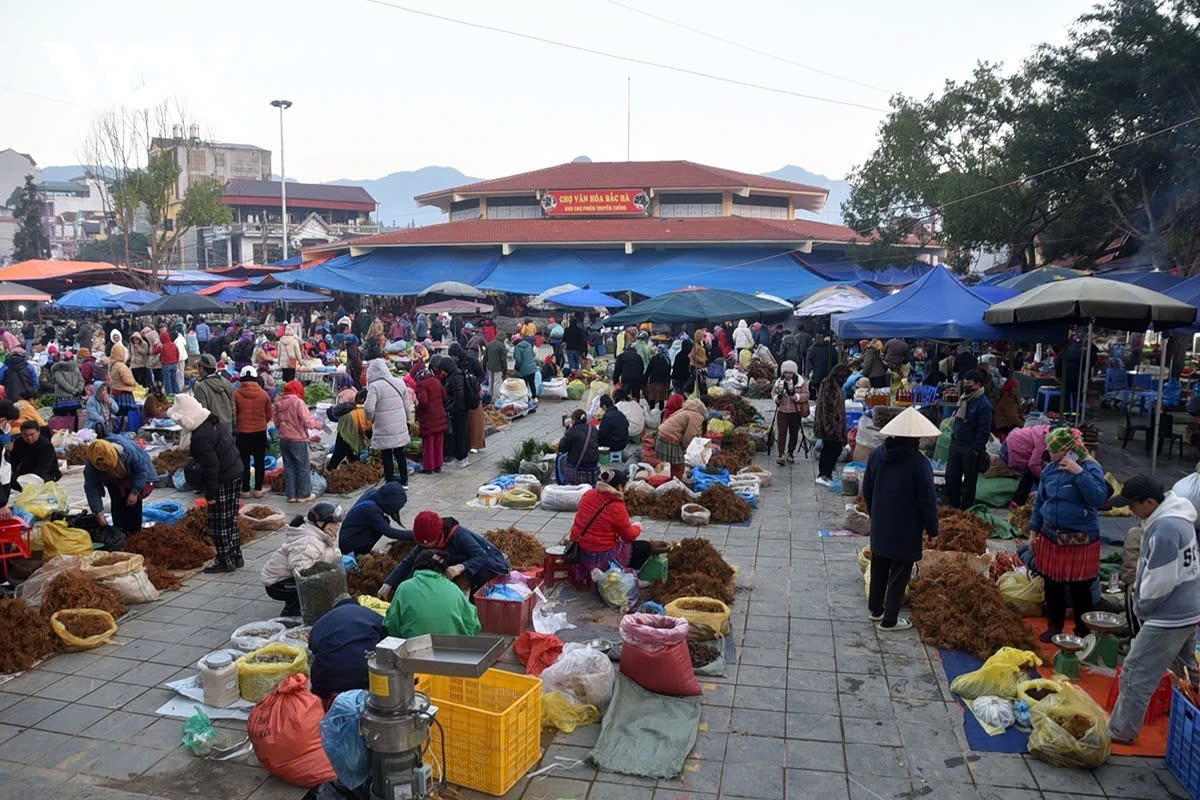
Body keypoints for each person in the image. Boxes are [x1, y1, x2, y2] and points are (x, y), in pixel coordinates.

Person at [1107, 475, 1200, 743]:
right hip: (1188, 608)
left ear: (1149, 502)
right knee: (1186, 670)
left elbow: (1160, 582)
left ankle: (1121, 731)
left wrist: (1142, 608)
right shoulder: (1178, 517)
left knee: (1136, 672)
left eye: (1133, 505)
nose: (1130, 510)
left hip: (1169, 616)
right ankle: (1192, 713)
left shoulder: (1165, 529)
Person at [862, 407, 941, 631]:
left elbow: (867, 488)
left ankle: (876, 610)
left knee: (879, 565)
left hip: (881, 521)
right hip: (906, 526)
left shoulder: (877, 455)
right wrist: (933, 530)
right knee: (900, 571)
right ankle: (890, 620)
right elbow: (927, 501)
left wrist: (874, 512)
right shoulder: (919, 463)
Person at [1029, 427, 1107, 641]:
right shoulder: (1050, 470)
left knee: (1080, 588)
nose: (1050, 454)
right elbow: (1040, 502)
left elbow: (1098, 499)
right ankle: (1054, 626)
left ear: (1068, 451)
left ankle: (1083, 630)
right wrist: (1033, 531)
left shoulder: (1091, 468)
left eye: (1054, 451)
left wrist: (1078, 473)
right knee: (1052, 584)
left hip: (1080, 539)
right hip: (1051, 536)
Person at [170, 394, 243, 572]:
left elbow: (211, 466)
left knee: (218, 522)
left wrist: (210, 494)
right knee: (230, 518)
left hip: (223, 477)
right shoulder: (210, 420)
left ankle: (224, 561)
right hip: (235, 471)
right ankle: (235, 556)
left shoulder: (200, 437)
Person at [379, 511, 510, 598]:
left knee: (476, 577)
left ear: (438, 536)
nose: (424, 547)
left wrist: (461, 567)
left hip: (489, 565)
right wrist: (389, 583)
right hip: (458, 564)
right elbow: (409, 561)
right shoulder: (426, 541)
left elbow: (481, 556)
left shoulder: (460, 536)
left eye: (427, 544)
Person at [566, 469, 650, 587]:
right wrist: (638, 527)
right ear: (619, 487)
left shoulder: (588, 494)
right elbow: (628, 536)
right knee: (645, 547)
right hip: (600, 556)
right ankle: (628, 578)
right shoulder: (616, 505)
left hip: (578, 550)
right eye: (624, 486)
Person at [261, 503, 344, 616]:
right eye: (333, 523)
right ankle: (290, 615)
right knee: (310, 589)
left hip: (289, 578)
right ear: (320, 523)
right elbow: (302, 574)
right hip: (277, 583)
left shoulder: (323, 535)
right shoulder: (308, 542)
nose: (337, 525)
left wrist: (340, 559)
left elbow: (329, 552)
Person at [384, 549, 482, 638]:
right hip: (452, 648)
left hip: (413, 646)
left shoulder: (404, 588)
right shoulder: (454, 589)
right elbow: (474, 624)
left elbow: (391, 624)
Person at [308, 595, 387, 703]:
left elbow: (312, 646)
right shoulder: (372, 615)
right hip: (365, 675)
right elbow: (388, 642)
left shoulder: (324, 620)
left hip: (328, 678)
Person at [945, 369, 994, 510]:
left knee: (969, 483)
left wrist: (977, 449)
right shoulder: (964, 399)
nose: (966, 386)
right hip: (956, 444)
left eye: (969, 384)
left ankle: (966, 511)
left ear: (978, 385)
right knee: (951, 477)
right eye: (964, 383)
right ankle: (953, 507)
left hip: (970, 448)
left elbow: (984, 430)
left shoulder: (983, 405)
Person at [84, 435, 154, 533]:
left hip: (133, 474)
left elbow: (141, 471)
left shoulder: (128, 452)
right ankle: (119, 531)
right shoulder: (93, 461)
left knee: (133, 506)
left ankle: (135, 532)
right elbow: (91, 487)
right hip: (113, 480)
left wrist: (135, 492)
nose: (103, 467)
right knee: (117, 502)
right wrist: (98, 511)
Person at [364, 358, 412, 487]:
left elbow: (368, 409)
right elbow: (407, 406)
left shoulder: (375, 386)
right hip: (399, 424)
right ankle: (404, 481)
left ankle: (390, 482)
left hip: (383, 426)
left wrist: (371, 418)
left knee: (386, 454)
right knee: (400, 453)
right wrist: (407, 420)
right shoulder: (400, 382)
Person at [276, 380, 320, 503]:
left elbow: (276, 422)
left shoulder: (279, 402)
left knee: (289, 467)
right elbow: (307, 421)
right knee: (302, 467)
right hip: (298, 439)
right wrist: (317, 425)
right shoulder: (298, 402)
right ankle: (303, 495)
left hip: (284, 439)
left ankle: (291, 495)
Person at [339, 483, 412, 556]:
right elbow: (390, 532)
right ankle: (358, 553)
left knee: (384, 521)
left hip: (348, 533)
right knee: (382, 524)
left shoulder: (374, 494)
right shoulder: (371, 510)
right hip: (347, 544)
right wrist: (414, 534)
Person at [234, 367, 273, 498]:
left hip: (242, 433)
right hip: (260, 432)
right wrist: (261, 422)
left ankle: (245, 490)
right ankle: (258, 490)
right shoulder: (263, 394)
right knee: (259, 461)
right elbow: (269, 414)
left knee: (244, 462)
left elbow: (234, 414)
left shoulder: (236, 394)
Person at [814, 364, 852, 486]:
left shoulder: (832, 384)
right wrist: (831, 427)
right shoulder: (830, 387)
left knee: (830, 449)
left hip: (832, 424)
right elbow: (828, 409)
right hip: (830, 425)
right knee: (833, 449)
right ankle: (824, 473)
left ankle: (825, 473)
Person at [1001, 423, 1052, 509]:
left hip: (1010, 442)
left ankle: (1017, 502)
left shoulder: (1044, 430)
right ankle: (1020, 502)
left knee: (1033, 473)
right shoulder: (1043, 442)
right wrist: (1044, 478)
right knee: (1032, 473)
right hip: (1011, 450)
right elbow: (1033, 464)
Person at [654, 398, 707, 480]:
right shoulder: (697, 416)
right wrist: (684, 448)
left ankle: (673, 480)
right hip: (670, 437)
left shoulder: (686, 410)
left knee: (674, 463)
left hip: (662, 434)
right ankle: (676, 483)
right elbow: (690, 434)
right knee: (679, 465)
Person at [449, 342, 486, 453]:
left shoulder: (472, 361)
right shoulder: (455, 364)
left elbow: (482, 374)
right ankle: (466, 444)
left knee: (475, 420)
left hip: (473, 394)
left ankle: (475, 444)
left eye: (454, 355)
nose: (454, 358)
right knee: (465, 422)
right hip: (462, 394)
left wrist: (475, 384)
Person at [772, 360, 810, 466]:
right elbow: (773, 392)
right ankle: (781, 454)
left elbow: (806, 394)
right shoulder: (779, 382)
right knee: (782, 434)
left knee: (794, 433)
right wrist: (777, 397)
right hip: (782, 411)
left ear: (794, 373)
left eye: (790, 373)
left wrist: (796, 397)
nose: (788, 375)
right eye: (786, 373)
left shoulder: (800, 382)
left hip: (795, 412)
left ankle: (790, 453)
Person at [435, 355, 470, 468]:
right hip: (458, 409)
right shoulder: (454, 375)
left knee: (460, 434)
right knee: (460, 434)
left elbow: (459, 395)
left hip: (459, 410)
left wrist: (452, 407)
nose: (443, 372)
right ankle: (461, 458)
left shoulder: (456, 377)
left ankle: (461, 459)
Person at [327, 389, 373, 470]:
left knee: (350, 451)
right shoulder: (368, 410)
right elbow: (369, 433)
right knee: (341, 452)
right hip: (348, 427)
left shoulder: (359, 408)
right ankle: (330, 470)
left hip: (347, 426)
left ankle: (351, 469)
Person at [413, 365, 447, 474]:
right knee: (438, 442)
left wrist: (417, 410)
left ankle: (428, 467)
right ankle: (438, 465)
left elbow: (423, 401)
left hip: (429, 417)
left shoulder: (421, 385)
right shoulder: (436, 380)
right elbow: (444, 396)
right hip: (440, 415)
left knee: (428, 443)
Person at [9, 420, 61, 492]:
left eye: (32, 434)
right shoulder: (19, 443)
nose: (29, 438)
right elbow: (13, 461)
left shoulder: (46, 445)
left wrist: (32, 479)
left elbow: (44, 466)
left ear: (38, 432)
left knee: (39, 483)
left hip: (47, 473)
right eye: (25, 435)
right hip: (27, 471)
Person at [192, 354, 236, 430]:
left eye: (197, 367)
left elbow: (202, 414)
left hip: (213, 430)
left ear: (201, 368)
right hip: (227, 428)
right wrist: (233, 425)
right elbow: (232, 406)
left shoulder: (201, 388)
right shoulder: (226, 382)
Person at [558, 408, 600, 486]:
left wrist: (566, 433)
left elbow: (562, 448)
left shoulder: (572, 431)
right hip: (593, 467)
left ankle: (565, 483)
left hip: (578, 467)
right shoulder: (593, 429)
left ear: (573, 420)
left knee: (561, 460)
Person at [49, 351, 83, 430]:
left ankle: (63, 433)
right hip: (73, 398)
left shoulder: (58, 369)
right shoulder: (76, 369)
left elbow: (62, 383)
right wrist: (78, 390)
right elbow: (81, 381)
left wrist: (73, 390)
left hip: (62, 398)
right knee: (74, 416)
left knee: (61, 418)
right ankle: (74, 432)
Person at [643, 345, 672, 410]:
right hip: (663, 382)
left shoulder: (653, 358)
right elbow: (668, 374)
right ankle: (661, 411)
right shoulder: (667, 360)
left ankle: (651, 411)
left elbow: (648, 371)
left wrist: (644, 382)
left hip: (654, 381)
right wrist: (668, 383)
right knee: (661, 399)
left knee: (652, 399)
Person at [512, 334, 537, 399]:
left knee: (524, 384)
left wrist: (517, 367)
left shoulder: (517, 347)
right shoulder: (528, 345)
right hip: (532, 368)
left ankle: (525, 398)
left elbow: (518, 360)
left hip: (524, 369)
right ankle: (534, 397)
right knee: (532, 383)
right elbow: (533, 354)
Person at [157, 327, 180, 395]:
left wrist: (156, 344)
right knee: (174, 380)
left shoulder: (163, 346)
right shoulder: (173, 344)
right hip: (174, 364)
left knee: (167, 382)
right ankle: (177, 394)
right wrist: (176, 361)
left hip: (166, 365)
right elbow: (177, 354)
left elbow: (155, 351)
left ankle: (170, 397)